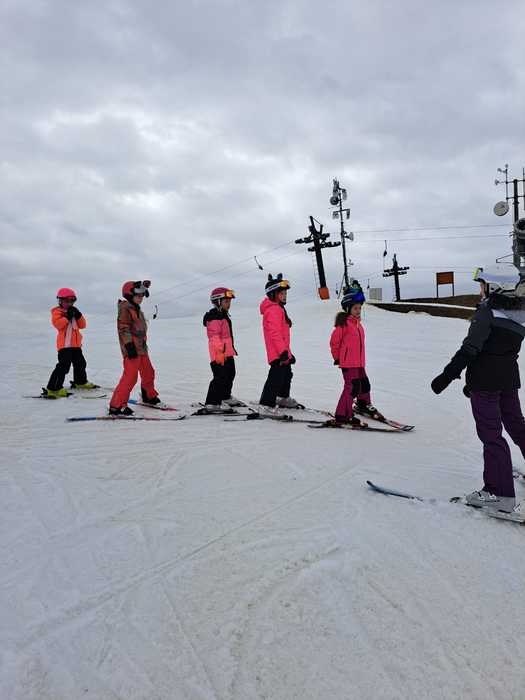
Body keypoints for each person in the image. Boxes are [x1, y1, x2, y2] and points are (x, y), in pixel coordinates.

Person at [431, 266, 525, 515]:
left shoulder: (487, 312)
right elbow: (499, 351)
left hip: (485, 384)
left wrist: (447, 376)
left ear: (495, 287)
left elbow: (470, 349)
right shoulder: (520, 313)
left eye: (483, 285)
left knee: (491, 435)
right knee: (517, 426)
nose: (481, 290)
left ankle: (500, 494)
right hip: (508, 381)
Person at [109, 280, 164, 415]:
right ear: (129, 295)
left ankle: (148, 396)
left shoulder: (136, 308)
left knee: (148, 372)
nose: (141, 298)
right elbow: (123, 328)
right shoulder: (125, 308)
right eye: (138, 295)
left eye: (142, 295)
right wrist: (129, 345)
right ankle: (116, 406)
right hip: (132, 349)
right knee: (130, 377)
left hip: (141, 348)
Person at [329, 286, 375, 426]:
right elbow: (334, 342)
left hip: (359, 362)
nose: (358, 311)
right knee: (352, 387)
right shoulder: (343, 325)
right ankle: (342, 414)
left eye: (359, 308)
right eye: (355, 308)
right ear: (348, 308)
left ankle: (363, 404)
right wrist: (337, 358)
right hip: (348, 363)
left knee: (364, 384)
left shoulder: (358, 325)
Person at [44, 287, 98, 397]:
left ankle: (80, 382)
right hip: (65, 346)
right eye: (67, 301)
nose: (69, 303)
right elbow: (58, 325)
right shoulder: (57, 312)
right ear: (60, 301)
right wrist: (67, 317)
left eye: (72, 301)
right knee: (64, 366)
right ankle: (53, 388)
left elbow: (83, 325)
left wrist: (78, 315)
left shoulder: (74, 311)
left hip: (76, 345)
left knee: (80, 363)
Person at [259, 273, 300, 411]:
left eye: (285, 293)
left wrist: (288, 353)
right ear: (273, 294)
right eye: (281, 293)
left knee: (287, 374)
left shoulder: (279, 309)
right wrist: (282, 352)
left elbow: (283, 336)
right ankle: (266, 403)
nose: (285, 296)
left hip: (282, 351)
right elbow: (275, 334)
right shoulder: (273, 310)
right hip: (277, 352)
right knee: (276, 377)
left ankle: (282, 397)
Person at [203, 287, 242, 411]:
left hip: (227, 352)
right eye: (226, 301)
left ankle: (225, 396)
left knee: (230, 373)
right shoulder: (214, 317)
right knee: (220, 377)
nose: (228, 304)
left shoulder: (223, 315)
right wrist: (220, 352)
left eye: (229, 301)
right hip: (218, 354)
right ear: (218, 302)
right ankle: (212, 402)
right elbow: (214, 337)